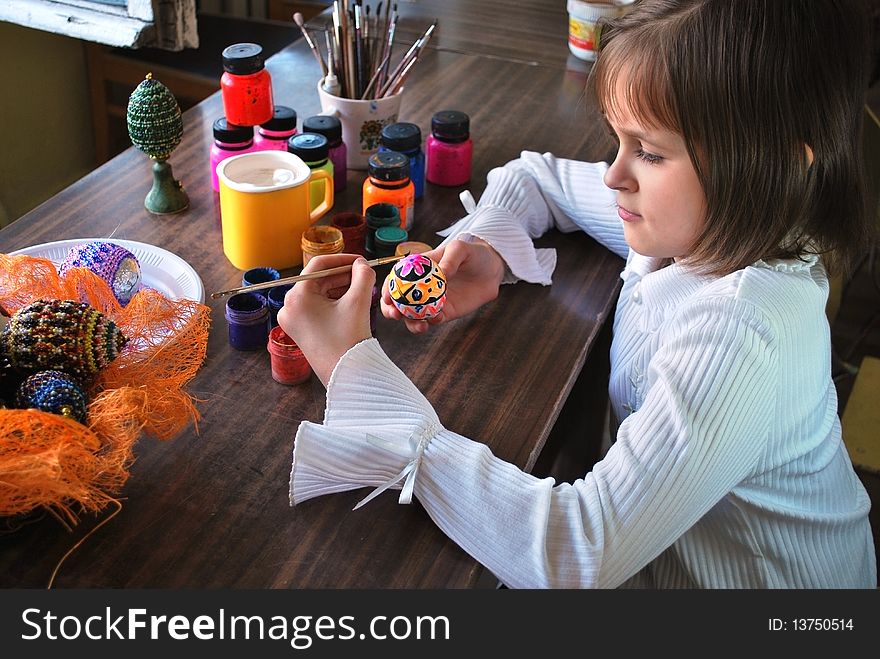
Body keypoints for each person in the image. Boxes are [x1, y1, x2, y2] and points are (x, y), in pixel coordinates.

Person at [277, 0, 877, 588]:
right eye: (619, 141)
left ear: (772, 167)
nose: (615, 174)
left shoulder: (744, 331)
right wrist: (488, 248)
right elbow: (536, 178)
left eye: (649, 152)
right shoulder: (702, 222)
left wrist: (352, 370)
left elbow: (574, 556)